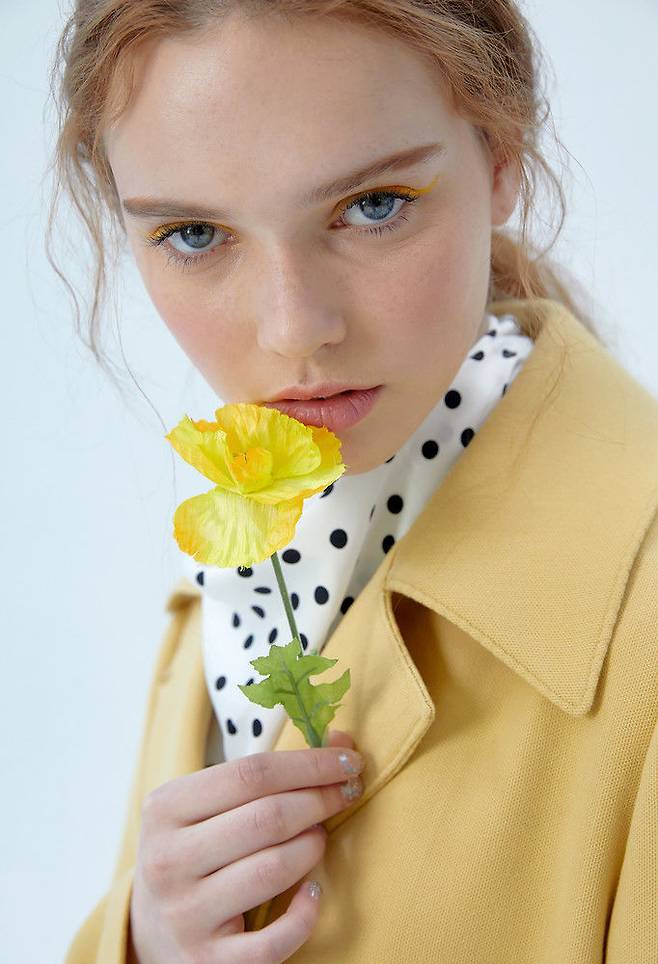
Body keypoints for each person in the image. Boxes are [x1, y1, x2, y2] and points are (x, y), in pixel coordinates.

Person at [47, 2, 656, 962]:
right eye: (195, 234)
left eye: (373, 206)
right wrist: (143, 941)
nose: (294, 329)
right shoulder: (245, 565)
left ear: (502, 153)